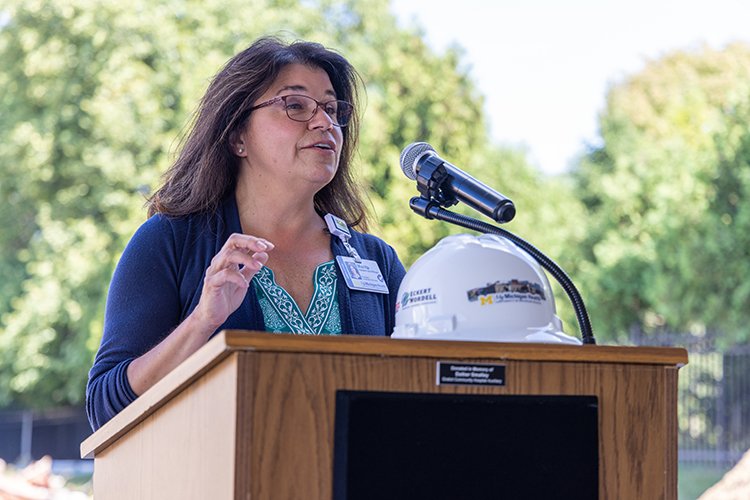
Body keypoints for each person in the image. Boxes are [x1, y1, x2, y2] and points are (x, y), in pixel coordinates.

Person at [86, 37, 406, 431]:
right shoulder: (169, 242)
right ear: (238, 136)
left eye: (332, 109)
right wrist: (202, 321)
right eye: (295, 105)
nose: (325, 122)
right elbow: (105, 408)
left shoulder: (377, 260)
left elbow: (416, 391)